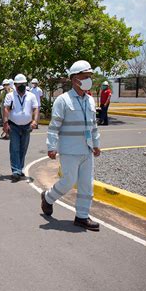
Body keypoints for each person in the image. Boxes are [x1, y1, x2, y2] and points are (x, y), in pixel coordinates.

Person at [41, 60, 101, 231]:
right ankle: (48, 198)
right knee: (68, 181)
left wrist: (96, 144)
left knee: (86, 185)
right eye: (86, 77)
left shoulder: (90, 100)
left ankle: (82, 217)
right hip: (69, 150)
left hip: (87, 149)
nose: (89, 80)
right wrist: (51, 146)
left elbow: (93, 125)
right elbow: (54, 126)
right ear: (75, 79)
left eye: (90, 76)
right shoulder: (63, 100)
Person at [3, 74, 39, 181]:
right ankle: (15, 171)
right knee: (14, 148)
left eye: (23, 84)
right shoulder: (10, 96)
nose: (22, 86)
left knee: (23, 148)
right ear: (15, 85)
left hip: (27, 127)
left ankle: (20, 168)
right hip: (14, 126)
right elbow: (6, 109)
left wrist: (35, 121)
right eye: (19, 84)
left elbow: (36, 108)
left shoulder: (31, 96)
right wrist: (5, 123)